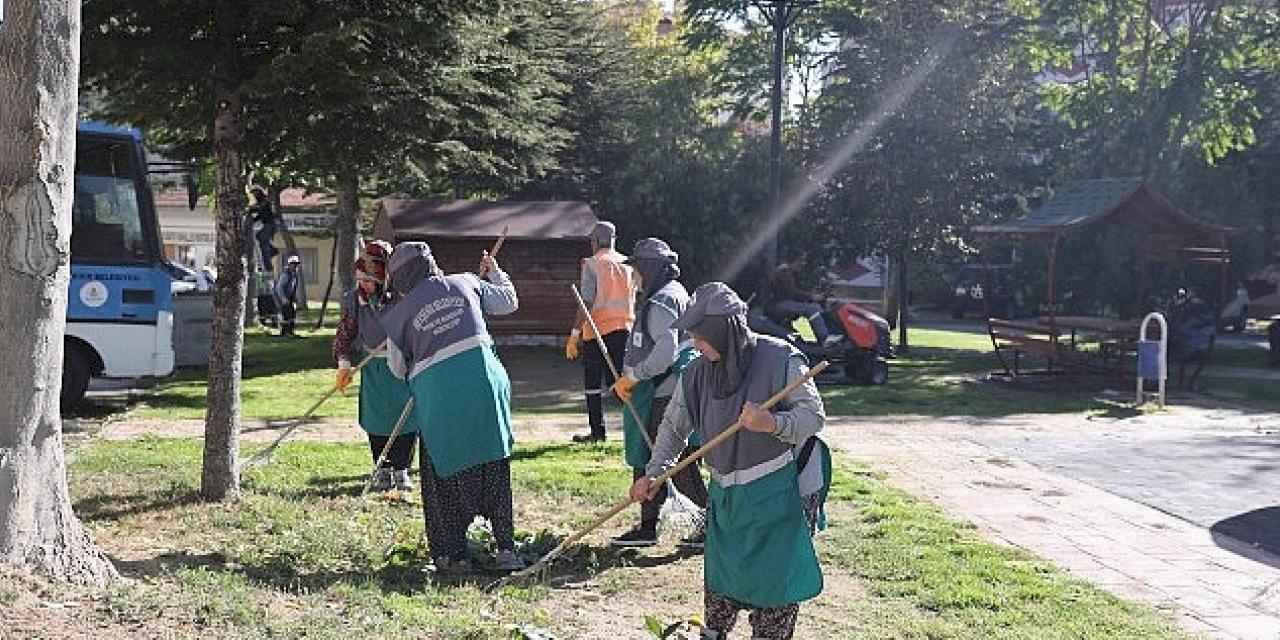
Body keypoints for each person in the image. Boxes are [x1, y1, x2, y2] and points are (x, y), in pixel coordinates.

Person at [631, 282, 831, 640]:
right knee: (723, 585)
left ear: (724, 332)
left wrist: (771, 423)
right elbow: (674, 427)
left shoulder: (781, 358)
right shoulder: (694, 373)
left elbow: (813, 417)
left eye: (700, 335)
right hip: (730, 497)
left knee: (773, 594)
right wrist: (655, 473)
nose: (694, 342)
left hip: (781, 494)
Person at [378, 241, 526, 574]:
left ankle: (454, 555)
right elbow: (509, 301)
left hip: (441, 397)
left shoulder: (398, 315)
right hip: (486, 387)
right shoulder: (467, 282)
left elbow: (396, 368)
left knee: (442, 471)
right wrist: (496, 273)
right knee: (493, 463)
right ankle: (505, 548)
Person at [608, 238, 708, 549]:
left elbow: (666, 352)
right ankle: (648, 526)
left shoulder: (664, 300)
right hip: (660, 390)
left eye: (637, 268)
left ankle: (709, 526)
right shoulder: (673, 294)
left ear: (650, 268)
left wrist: (634, 376)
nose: (634, 275)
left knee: (675, 459)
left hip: (664, 390)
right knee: (648, 453)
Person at [333, 240, 419, 491]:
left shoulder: (403, 298)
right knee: (376, 420)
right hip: (373, 370)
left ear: (383, 279)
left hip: (402, 367)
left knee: (406, 420)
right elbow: (345, 334)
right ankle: (382, 469)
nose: (363, 285)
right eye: (360, 279)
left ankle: (402, 470)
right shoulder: (354, 300)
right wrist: (344, 363)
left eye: (369, 280)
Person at [566, 221, 637, 443]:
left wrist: (574, 335)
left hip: (597, 331)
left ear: (594, 241)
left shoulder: (592, 263)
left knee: (593, 385)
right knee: (621, 382)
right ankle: (635, 430)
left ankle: (598, 433)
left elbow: (586, 301)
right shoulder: (628, 265)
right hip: (625, 329)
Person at [765, 255, 838, 347]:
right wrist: (811, 297)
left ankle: (825, 336)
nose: (803, 264)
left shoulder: (789, 272)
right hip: (777, 304)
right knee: (811, 309)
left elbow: (796, 291)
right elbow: (791, 293)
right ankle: (825, 338)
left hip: (782, 303)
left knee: (816, 307)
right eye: (801, 261)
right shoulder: (784, 271)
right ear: (794, 261)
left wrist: (812, 296)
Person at [249, 187, 279, 271]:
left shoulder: (266, 201)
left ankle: (268, 266)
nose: (254, 196)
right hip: (267, 224)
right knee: (259, 236)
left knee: (264, 245)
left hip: (271, 225)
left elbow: (261, 209)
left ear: (259, 193)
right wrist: (253, 220)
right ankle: (273, 250)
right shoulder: (261, 203)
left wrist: (252, 209)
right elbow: (260, 215)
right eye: (253, 194)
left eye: (255, 193)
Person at [275, 255, 302, 337]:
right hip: (283, 297)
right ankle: (285, 332)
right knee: (286, 315)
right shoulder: (285, 274)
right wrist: (283, 299)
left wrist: (295, 298)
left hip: (290, 297)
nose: (295, 266)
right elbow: (279, 287)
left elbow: (293, 287)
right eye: (294, 264)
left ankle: (290, 332)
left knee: (292, 314)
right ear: (289, 264)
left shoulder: (295, 275)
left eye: (296, 264)